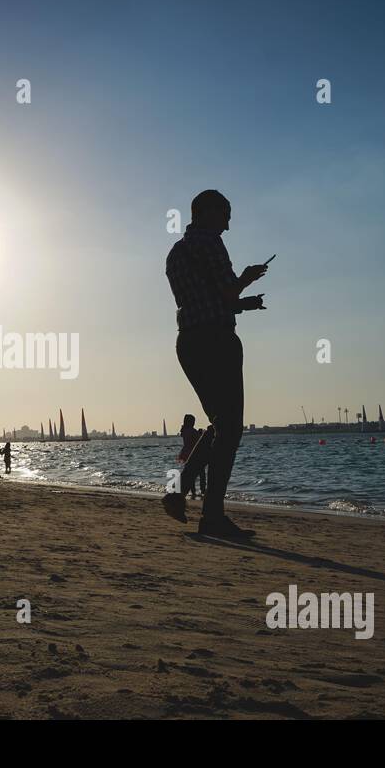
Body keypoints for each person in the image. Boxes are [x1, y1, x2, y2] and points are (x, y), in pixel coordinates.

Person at [163, 189, 269, 539]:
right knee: (231, 428)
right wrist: (247, 278)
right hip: (216, 341)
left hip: (189, 342)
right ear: (206, 212)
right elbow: (225, 293)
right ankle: (211, 515)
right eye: (225, 213)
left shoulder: (176, 252)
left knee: (221, 424)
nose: (228, 222)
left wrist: (243, 304)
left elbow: (201, 301)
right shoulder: (210, 243)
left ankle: (180, 494)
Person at [177, 414, 206, 499]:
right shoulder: (192, 431)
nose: (194, 423)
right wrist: (201, 433)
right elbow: (198, 440)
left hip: (186, 453)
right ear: (190, 422)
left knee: (191, 473)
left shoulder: (184, 431)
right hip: (194, 454)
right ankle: (203, 490)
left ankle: (193, 491)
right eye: (193, 421)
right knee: (201, 473)